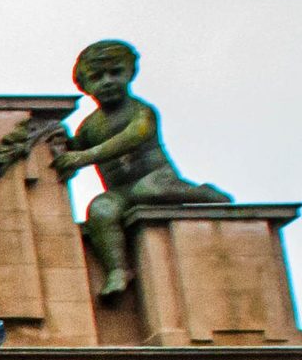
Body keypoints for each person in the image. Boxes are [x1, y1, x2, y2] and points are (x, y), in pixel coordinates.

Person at [54, 37, 230, 298]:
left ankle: (200, 193)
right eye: (97, 77)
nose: (107, 81)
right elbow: (73, 151)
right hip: (123, 191)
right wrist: (59, 143)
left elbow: (133, 137)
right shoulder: (90, 126)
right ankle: (118, 270)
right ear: (85, 86)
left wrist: (85, 156)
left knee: (150, 190)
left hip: (155, 178)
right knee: (100, 210)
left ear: (130, 72)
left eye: (115, 73)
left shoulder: (140, 111)